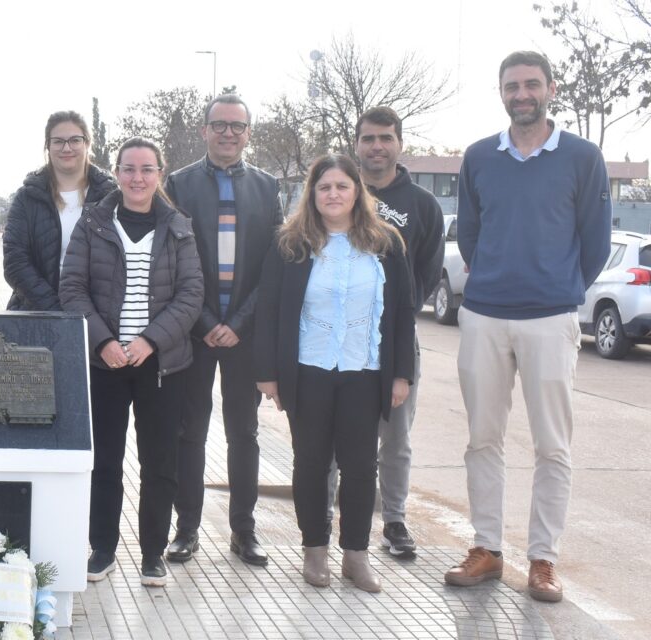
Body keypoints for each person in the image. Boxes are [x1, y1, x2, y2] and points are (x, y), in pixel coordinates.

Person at [444, 51, 611, 603]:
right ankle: (487, 548)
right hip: (486, 315)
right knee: (482, 440)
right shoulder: (478, 158)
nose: (522, 94)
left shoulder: (583, 158)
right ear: (501, 92)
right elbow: (470, 235)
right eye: (512, 85)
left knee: (552, 446)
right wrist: (495, 281)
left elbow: (596, 243)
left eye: (531, 84)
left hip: (551, 318)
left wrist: (560, 289)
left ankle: (543, 560)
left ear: (550, 89)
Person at [253, 154, 414, 593]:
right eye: (325, 187)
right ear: (312, 194)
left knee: (361, 466)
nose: (334, 194)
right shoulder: (291, 244)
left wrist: (402, 374)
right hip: (309, 370)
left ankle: (356, 556)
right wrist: (267, 373)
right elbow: (268, 311)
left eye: (343, 186)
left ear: (357, 192)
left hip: (365, 371)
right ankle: (315, 551)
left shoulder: (386, 243)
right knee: (310, 463)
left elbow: (402, 315)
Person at [59, 137, 203, 587]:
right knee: (105, 459)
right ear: (116, 173)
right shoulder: (94, 222)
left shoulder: (179, 226)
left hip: (161, 364)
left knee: (160, 461)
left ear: (160, 174)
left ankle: (153, 553)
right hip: (106, 364)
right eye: (128, 169)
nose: (137, 178)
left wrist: (150, 340)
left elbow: (191, 294)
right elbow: (72, 288)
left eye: (146, 169)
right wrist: (102, 341)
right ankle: (102, 548)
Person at [164, 93, 282, 566]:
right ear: (205, 130)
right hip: (194, 331)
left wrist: (238, 323)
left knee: (244, 434)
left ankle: (244, 531)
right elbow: (171, 263)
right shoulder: (178, 184)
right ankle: (186, 529)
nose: (228, 133)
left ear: (248, 132)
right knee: (190, 432)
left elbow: (273, 264)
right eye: (219, 125)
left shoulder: (268, 187)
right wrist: (207, 321)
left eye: (237, 125)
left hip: (244, 335)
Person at [324, 106, 444, 558]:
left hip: (395, 339)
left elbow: (428, 272)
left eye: (386, 138)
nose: (377, 146)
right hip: (336, 337)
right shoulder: (336, 194)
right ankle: (325, 516)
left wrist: (396, 314)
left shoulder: (423, 205)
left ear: (399, 143)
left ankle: (394, 520)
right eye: (369, 138)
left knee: (395, 435)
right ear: (356, 144)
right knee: (333, 432)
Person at [3, 110, 117, 310]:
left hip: (99, 320)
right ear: (47, 146)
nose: (66, 148)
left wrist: (86, 312)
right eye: (58, 141)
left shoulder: (111, 195)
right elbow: (15, 262)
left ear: (87, 143)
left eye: (75, 140)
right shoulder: (27, 198)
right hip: (38, 314)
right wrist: (55, 310)